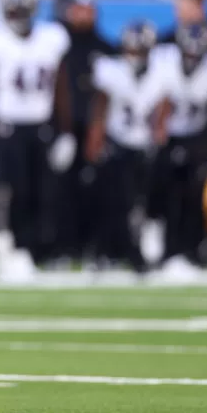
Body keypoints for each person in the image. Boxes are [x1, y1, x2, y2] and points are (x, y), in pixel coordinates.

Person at [0, 0, 74, 280]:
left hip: (40, 127)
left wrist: (65, 131)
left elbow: (61, 88)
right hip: (6, 128)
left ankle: (35, 250)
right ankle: (9, 247)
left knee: (42, 192)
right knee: (9, 191)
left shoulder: (51, 39)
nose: (17, 14)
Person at [144, 23, 207, 277]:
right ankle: (165, 251)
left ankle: (189, 252)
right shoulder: (164, 61)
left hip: (196, 135)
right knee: (162, 193)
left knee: (193, 196)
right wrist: (157, 132)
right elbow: (159, 101)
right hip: (166, 135)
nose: (192, 58)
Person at [85, 21, 168, 272]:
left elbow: (164, 106)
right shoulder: (111, 70)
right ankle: (103, 254)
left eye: (138, 50)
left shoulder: (161, 72)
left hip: (144, 145)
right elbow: (100, 106)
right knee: (112, 203)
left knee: (139, 205)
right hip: (117, 142)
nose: (133, 55)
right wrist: (95, 139)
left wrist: (159, 133)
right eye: (130, 49)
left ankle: (135, 255)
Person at [57, 0, 114, 266]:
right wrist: (58, 132)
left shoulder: (105, 49)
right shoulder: (56, 45)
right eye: (77, 9)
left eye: (87, 9)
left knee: (97, 191)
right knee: (60, 192)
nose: (81, 15)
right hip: (62, 132)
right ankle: (62, 248)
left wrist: (101, 132)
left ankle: (95, 248)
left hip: (95, 131)